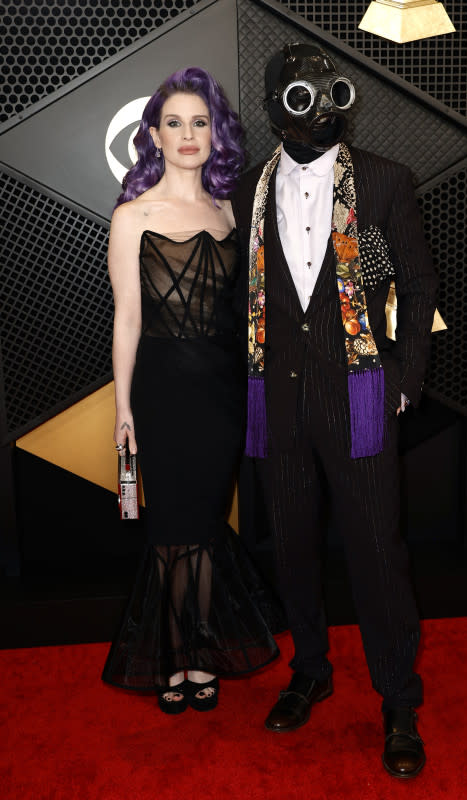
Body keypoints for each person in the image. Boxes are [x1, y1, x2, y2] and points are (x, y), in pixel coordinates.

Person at [232, 43, 438, 777]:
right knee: (290, 546)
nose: (314, 108)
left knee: (378, 554)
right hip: (275, 398)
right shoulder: (247, 190)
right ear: (271, 105)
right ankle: (311, 668)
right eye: (295, 95)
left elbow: (416, 289)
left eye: (325, 93)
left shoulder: (384, 181)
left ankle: (397, 700)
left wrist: (402, 381)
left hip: (358, 393)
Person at [101, 66, 285, 715]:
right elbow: (127, 316)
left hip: (222, 392)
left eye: (199, 122)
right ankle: (177, 656)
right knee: (172, 531)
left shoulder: (231, 210)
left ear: (215, 133)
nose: (187, 134)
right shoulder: (132, 215)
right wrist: (123, 408)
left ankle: (196, 650)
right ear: (153, 134)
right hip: (159, 392)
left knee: (205, 527)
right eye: (174, 123)